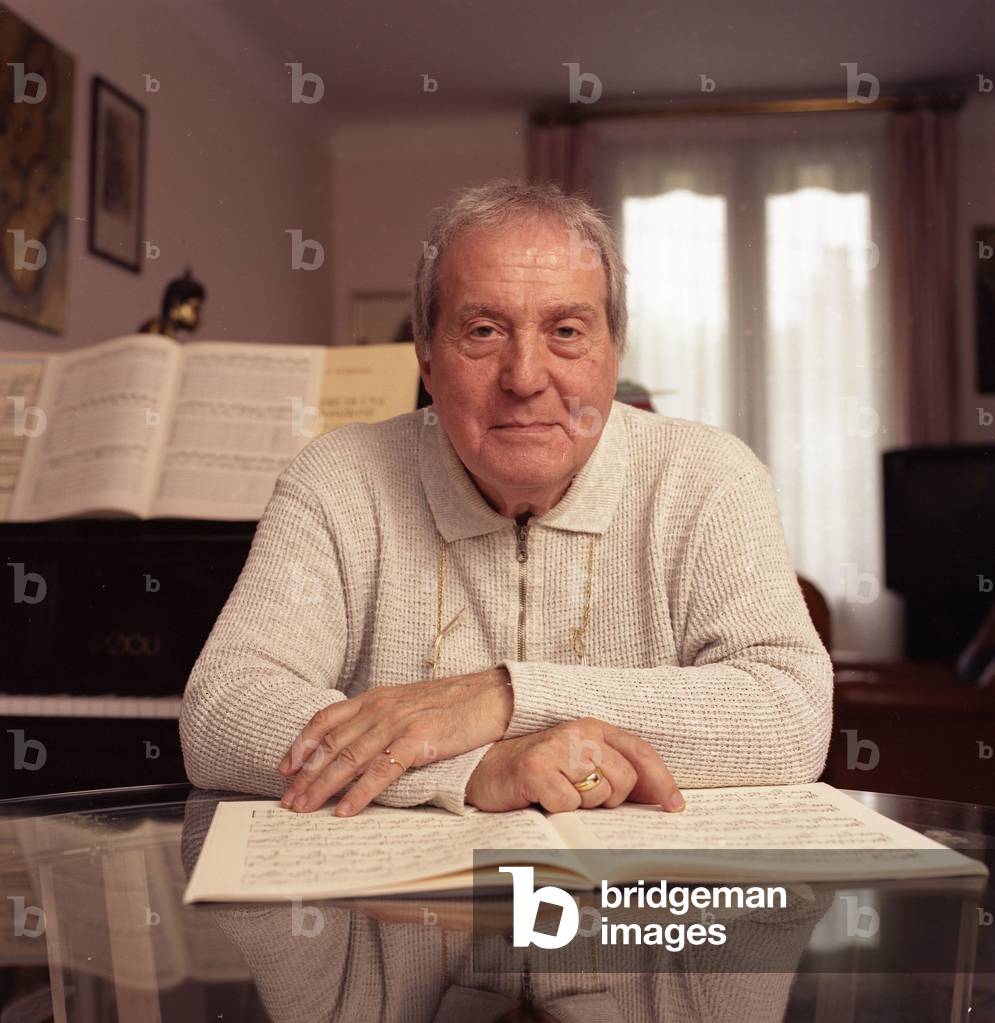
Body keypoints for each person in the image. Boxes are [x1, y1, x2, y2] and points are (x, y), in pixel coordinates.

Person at [179, 179, 832, 818]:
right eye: (484, 331)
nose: (524, 378)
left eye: (566, 331)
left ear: (614, 353)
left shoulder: (711, 477)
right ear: (426, 358)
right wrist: (476, 768)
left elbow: (792, 713)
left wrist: (502, 697)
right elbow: (222, 713)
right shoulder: (337, 478)